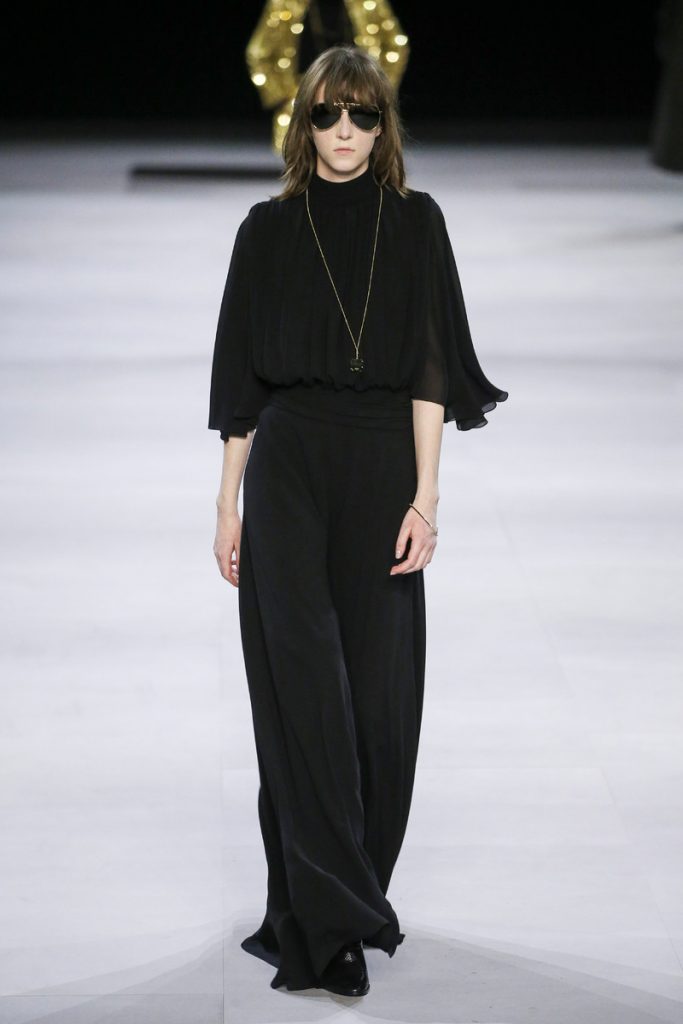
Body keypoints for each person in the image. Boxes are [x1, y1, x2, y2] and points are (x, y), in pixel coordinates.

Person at [208, 44, 508, 997]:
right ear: (304, 125)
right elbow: (240, 383)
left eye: (362, 115)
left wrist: (426, 497)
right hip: (289, 473)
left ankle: (343, 891)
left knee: (378, 709)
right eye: (328, 115)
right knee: (306, 700)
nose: (345, 131)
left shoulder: (416, 225)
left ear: (384, 127)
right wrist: (227, 503)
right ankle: (328, 926)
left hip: (381, 471)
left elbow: (430, 373)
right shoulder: (266, 230)